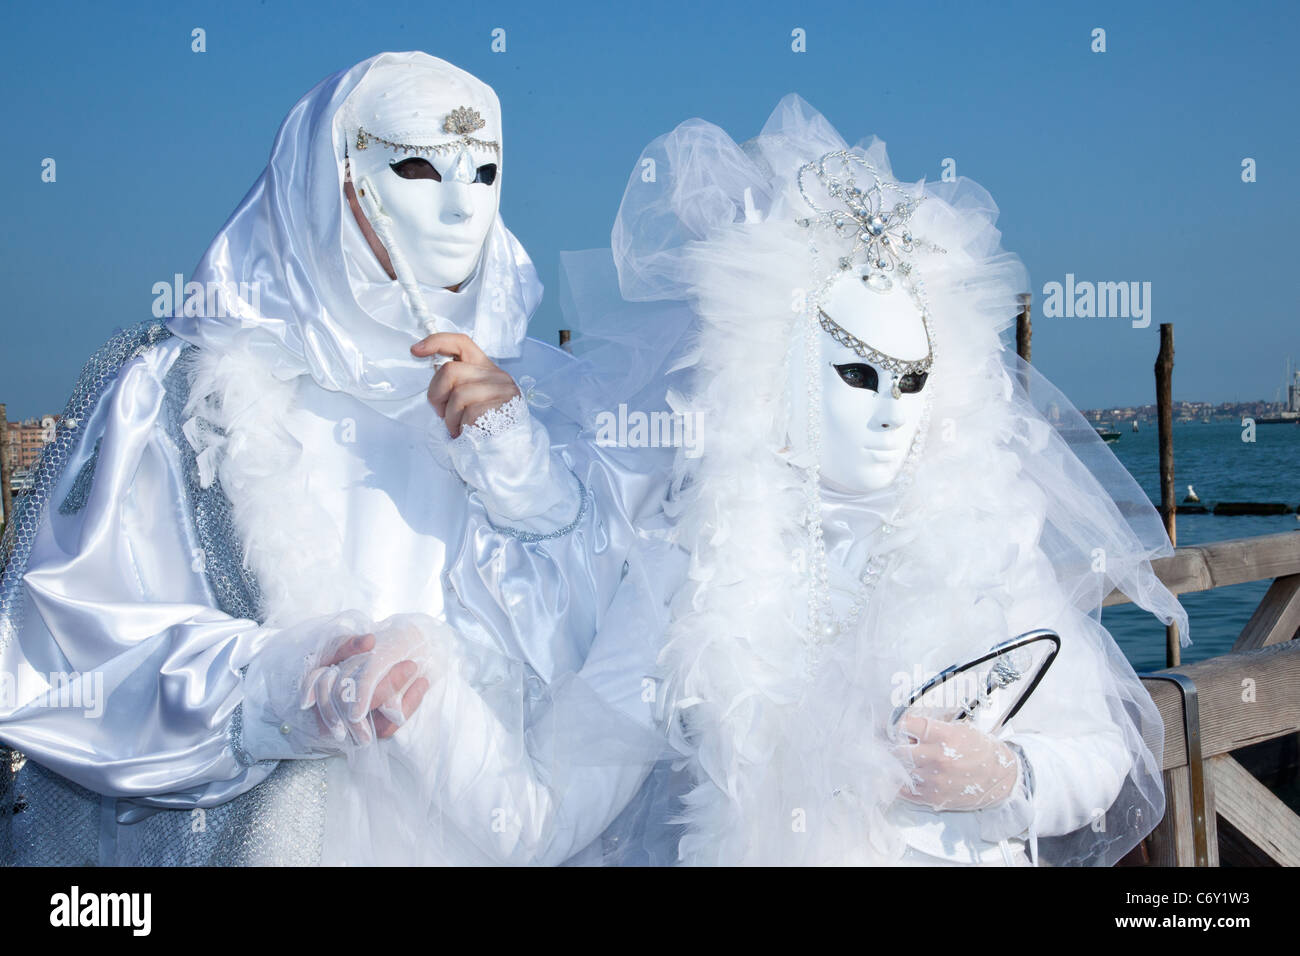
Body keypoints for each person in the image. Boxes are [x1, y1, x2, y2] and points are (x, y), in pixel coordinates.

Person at [0, 51, 675, 866]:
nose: (463, 206)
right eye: (421, 167)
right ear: (342, 179)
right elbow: (68, 659)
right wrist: (292, 686)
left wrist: (526, 480)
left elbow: (624, 664)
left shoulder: (552, 404)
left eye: (486, 170)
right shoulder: (184, 398)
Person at [593, 94, 1188, 865]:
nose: (888, 415)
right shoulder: (692, 551)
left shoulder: (986, 543)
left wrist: (1006, 775)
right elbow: (577, 772)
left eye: (911, 383)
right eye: (854, 374)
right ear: (772, 373)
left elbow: (1099, 752)